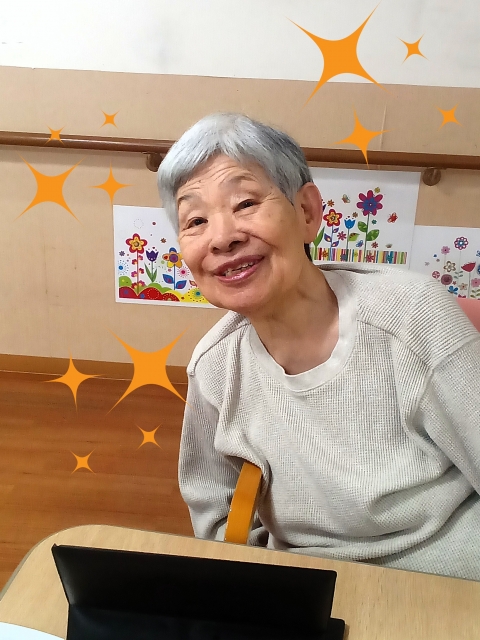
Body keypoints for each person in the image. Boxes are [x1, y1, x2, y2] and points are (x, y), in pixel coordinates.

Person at [157, 112, 480, 581]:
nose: (222, 237)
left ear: (307, 213)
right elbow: (216, 516)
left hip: (448, 578)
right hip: (309, 588)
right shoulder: (214, 366)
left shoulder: (413, 316)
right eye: (196, 220)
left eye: (245, 203)